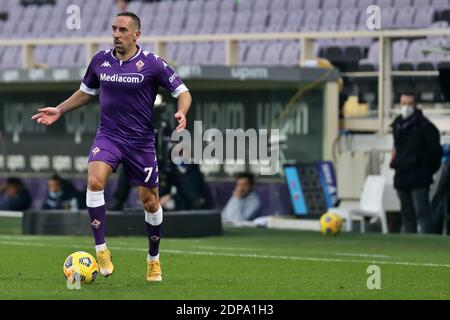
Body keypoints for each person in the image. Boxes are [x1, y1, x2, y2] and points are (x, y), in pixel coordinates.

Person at [32, 12, 192, 282]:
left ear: (136, 34)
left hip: (140, 142)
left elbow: (183, 92)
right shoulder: (100, 61)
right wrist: (59, 109)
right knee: (94, 181)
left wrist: (182, 112)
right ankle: (101, 250)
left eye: (122, 29)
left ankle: (153, 259)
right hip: (108, 136)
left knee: (150, 202)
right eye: (114, 29)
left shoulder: (153, 64)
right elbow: (85, 92)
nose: (116, 34)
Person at [390, 93, 443, 234]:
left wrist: (427, 169)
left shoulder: (425, 127)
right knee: (406, 213)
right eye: (403, 103)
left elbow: (435, 152)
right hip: (402, 174)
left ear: (415, 105)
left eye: (409, 103)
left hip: (419, 175)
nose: (406, 107)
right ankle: (409, 243)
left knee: (422, 211)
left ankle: (427, 242)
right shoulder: (397, 125)